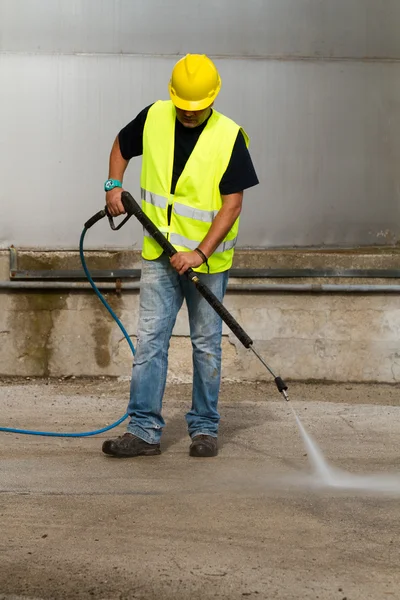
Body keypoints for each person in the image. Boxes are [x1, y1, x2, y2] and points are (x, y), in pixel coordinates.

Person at [102, 54, 258, 458]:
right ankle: (143, 431)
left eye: (197, 108)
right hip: (158, 253)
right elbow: (121, 144)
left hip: (206, 262)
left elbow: (232, 206)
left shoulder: (229, 137)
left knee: (206, 344)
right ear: (173, 97)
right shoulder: (154, 117)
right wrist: (112, 185)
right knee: (151, 340)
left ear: (212, 99)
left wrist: (200, 253)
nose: (189, 115)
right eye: (183, 108)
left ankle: (204, 429)